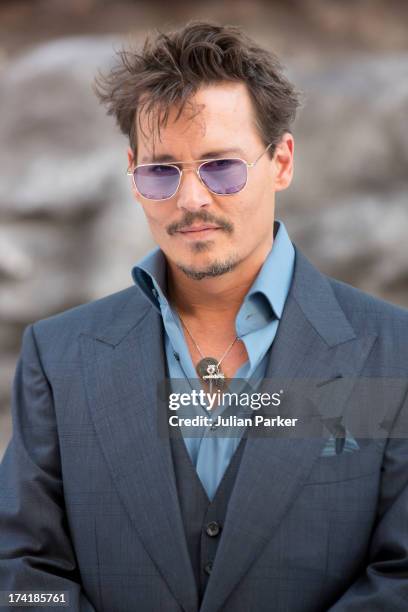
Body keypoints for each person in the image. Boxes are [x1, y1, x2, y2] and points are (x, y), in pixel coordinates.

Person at [1, 20, 408, 612]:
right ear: (134, 177)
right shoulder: (57, 357)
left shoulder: (393, 352)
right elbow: (22, 575)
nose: (191, 199)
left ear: (283, 161)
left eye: (221, 166)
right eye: (161, 171)